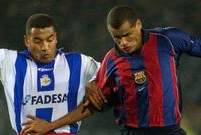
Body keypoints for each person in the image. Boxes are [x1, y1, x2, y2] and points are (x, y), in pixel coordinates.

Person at [20, 4, 201, 135]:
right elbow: (92, 105)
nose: (123, 42)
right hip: (131, 131)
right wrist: (50, 126)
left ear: (138, 25)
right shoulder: (111, 60)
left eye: (127, 35)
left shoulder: (166, 40)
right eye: (117, 37)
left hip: (169, 130)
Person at [0, 4, 100, 135]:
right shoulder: (12, 63)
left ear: (56, 38)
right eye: (38, 41)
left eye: (50, 39)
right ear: (27, 41)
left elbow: (104, 72)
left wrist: (94, 80)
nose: (45, 47)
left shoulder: (79, 63)